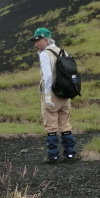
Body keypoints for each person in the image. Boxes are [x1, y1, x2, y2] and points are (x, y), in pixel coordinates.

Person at [30, 27, 77, 162]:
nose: (36, 44)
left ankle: (53, 156)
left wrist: (47, 94)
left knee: (51, 126)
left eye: (38, 41)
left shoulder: (45, 54)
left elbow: (48, 76)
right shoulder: (63, 52)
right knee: (65, 125)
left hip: (52, 93)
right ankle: (70, 154)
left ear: (45, 40)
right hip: (65, 94)